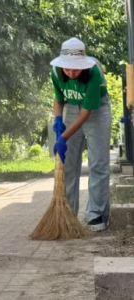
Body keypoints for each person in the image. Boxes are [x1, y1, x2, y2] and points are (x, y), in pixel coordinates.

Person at [50, 37, 111, 232]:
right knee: (67, 163)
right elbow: (59, 99)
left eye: (75, 68)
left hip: (96, 110)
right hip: (70, 107)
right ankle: (67, 213)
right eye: (67, 68)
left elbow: (86, 114)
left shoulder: (94, 72)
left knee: (97, 163)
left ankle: (96, 214)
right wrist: (58, 120)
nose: (70, 72)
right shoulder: (56, 71)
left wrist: (63, 137)